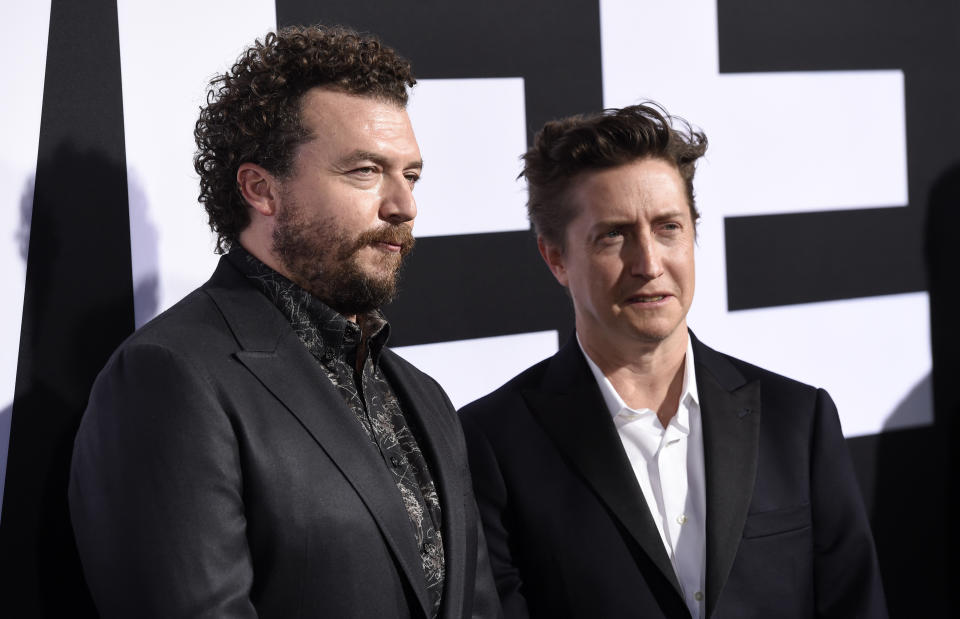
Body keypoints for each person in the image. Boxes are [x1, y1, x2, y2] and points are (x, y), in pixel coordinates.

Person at [69, 25, 499, 619]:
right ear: (261, 189)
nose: (404, 206)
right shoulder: (169, 377)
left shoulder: (424, 397)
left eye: (411, 175)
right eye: (365, 171)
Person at [459, 104, 887, 619]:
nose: (649, 263)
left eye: (667, 228)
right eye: (613, 235)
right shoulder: (492, 444)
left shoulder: (797, 420)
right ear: (556, 259)